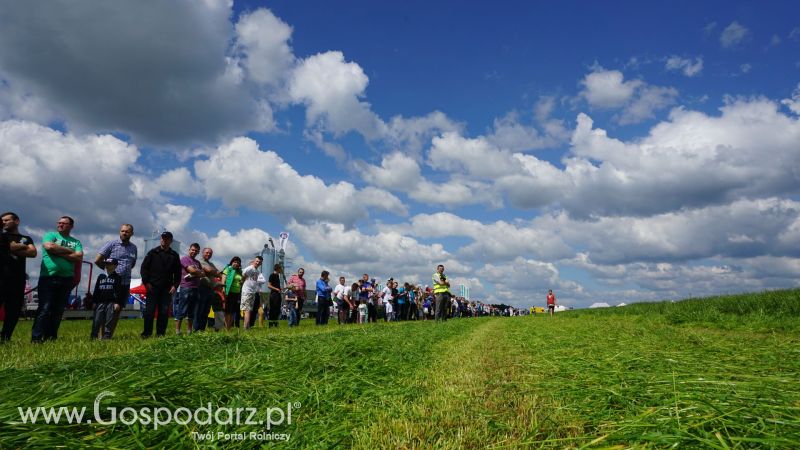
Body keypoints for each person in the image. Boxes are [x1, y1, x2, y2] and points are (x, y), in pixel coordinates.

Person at [32, 216, 83, 342]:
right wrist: (69, 252)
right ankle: (36, 338)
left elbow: (78, 257)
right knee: (45, 308)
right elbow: (49, 247)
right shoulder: (50, 235)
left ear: (71, 226)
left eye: (63, 223)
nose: (60, 225)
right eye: (59, 223)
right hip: (48, 277)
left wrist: (58, 250)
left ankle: (51, 337)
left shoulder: (76, 242)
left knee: (58, 309)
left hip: (66, 279)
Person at [94, 223, 137, 338]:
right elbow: (98, 259)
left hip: (125, 283)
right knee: (106, 310)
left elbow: (132, 264)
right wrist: (109, 272)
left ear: (132, 233)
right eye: (122, 231)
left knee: (117, 310)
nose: (124, 233)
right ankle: (100, 336)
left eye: (127, 231)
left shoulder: (134, 247)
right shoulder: (112, 244)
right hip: (111, 284)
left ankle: (109, 335)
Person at [0, 212, 36, 342]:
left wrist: (11, 247)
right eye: (2, 220)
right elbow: (10, 246)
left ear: (16, 221)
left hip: (17, 279)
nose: (3, 222)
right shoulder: (1, 236)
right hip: (1, 278)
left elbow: (33, 252)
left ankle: (5, 338)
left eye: (6, 220)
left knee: (14, 311)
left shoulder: (26, 238)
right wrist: (16, 247)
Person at [140, 231, 181, 338]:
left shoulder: (174, 255)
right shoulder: (153, 253)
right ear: (160, 239)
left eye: (167, 238)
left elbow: (178, 273)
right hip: (152, 287)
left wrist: (175, 286)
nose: (164, 240)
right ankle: (147, 334)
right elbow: (144, 269)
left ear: (171, 241)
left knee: (163, 312)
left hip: (167, 289)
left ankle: (160, 334)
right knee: (149, 312)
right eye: (163, 238)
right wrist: (146, 282)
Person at [90, 258, 124, 340]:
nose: (107, 265)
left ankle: (106, 337)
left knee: (109, 320)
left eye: (109, 264)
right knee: (97, 320)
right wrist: (94, 301)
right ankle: (93, 337)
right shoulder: (101, 276)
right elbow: (96, 290)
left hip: (111, 302)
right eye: (106, 263)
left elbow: (119, 291)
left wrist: (117, 302)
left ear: (115, 266)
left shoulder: (117, 277)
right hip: (100, 302)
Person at [176, 243, 203, 335]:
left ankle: (189, 331)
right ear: (189, 250)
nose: (194, 252)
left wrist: (197, 272)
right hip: (186, 287)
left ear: (198, 251)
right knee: (182, 309)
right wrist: (197, 272)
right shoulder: (184, 259)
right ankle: (177, 331)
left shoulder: (197, 262)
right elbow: (192, 271)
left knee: (191, 311)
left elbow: (202, 273)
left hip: (196, 288)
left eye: (196, 250)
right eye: (192, 250)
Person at [195, 247, 220, 332]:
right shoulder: (199, 261)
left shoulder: (211, 263)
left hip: (211, 289)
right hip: (202, 288)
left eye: (210, 253)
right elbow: (209, 270)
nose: (208, 254)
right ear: (202, 253)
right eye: (207, 252)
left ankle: (202, 329)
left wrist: (213, 271)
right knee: (200, 309)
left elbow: (218, 273)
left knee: (206, 310)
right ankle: (196, 329)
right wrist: (213, 271)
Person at [240, 256, 263, 330]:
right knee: (247, 309)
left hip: (252, 292)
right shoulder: (250, 268)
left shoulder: (257, 271)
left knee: (248, 309)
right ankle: (246, 327)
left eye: (259, 262)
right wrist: (242, 283)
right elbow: (243, 275)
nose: (258, 263)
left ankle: (246, 326)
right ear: (254, 261)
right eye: (257, 261)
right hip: (247, 291)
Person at [220, 256, 243, 330]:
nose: (236, 264)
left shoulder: (239, 271)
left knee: (233, 311)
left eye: (238, 263)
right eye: (235, 262)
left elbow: (242, 280)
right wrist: (223, 288)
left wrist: (241, 282)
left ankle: (229, 327)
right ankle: (227, 328)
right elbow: (223, 279)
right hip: (229, 292)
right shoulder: (228, 269)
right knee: (228, 311)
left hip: (237, 293)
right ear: (232, 262)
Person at [266, 264, 283, 328]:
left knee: (277, 310)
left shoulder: (277, 276)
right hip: (274, 295)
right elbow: (269, 285)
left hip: (278, 294)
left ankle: (275, 324)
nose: (281, 270)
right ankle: (270, 325)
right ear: (278, 268)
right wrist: (276, 289)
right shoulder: (272, 275)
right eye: (281, 268)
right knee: (273, 309)